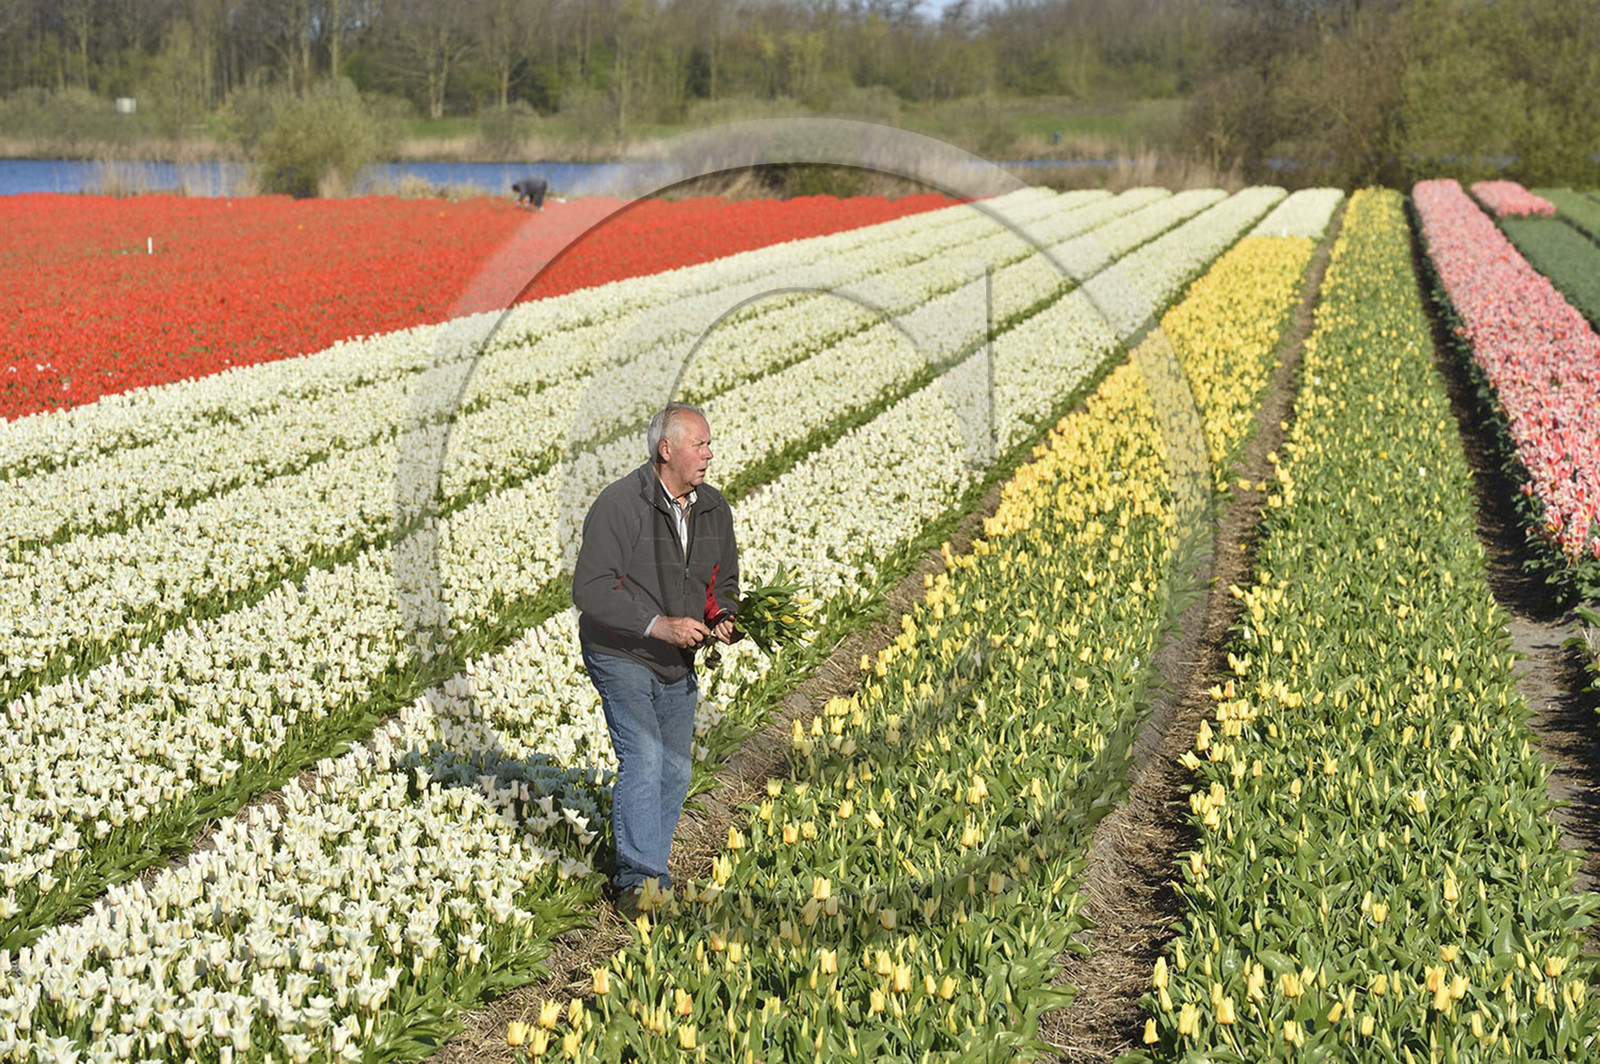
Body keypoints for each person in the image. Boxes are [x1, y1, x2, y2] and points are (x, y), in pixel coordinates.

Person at [572, 403, 740, 911]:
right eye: (701, 444)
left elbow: (722, 583)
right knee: (643, 757)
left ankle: (650, 870)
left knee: (675, 771)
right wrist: (657, 625)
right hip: (621, 651)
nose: (710, 454)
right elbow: (591, 588)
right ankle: (639, 882)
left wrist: (722, 617)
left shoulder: (713, 509)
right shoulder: (621, 504)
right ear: (667, 450)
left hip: (677, 659)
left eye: (710, 444)